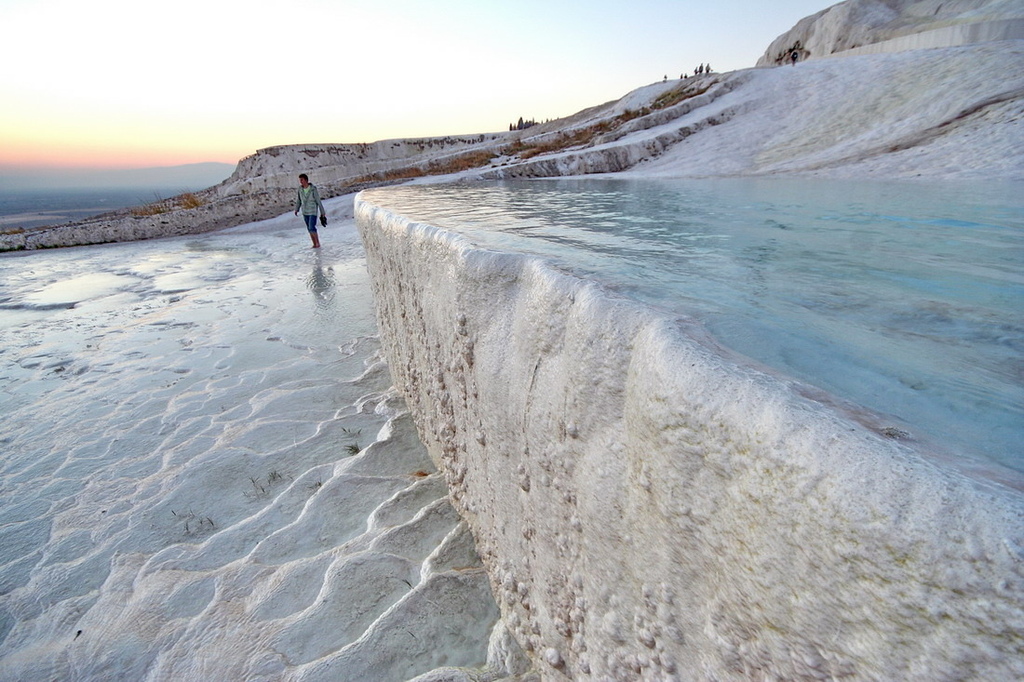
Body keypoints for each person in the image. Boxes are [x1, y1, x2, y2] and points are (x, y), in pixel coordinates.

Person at [294, 173, 325, 248]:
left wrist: (322, 212)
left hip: (312, 211)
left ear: (306, 180)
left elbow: (318, 200)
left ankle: (317, 243)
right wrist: (296, 209)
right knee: (309, 228)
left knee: (311, 227)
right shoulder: (300, 189)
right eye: (300, 180)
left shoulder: (313, 189)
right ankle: (314, 243)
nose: (301, 182)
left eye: (302, 180)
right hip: (305, 211)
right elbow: (299, 200)